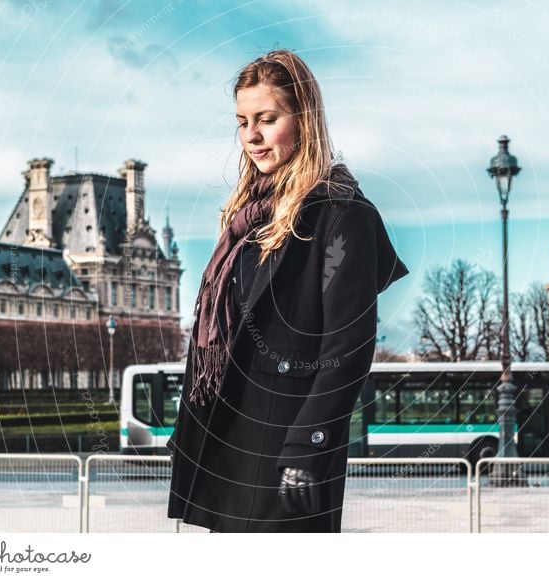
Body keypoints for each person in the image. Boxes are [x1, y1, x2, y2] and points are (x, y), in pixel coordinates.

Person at [166, 49, 409, 533]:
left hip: (285, 448)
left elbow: (348, 347)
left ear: (305, 120)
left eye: (267, 118)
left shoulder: (341, 215)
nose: (251, 136)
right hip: (232, 439)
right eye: (242, 121)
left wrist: (308, 446)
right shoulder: (246, 219)